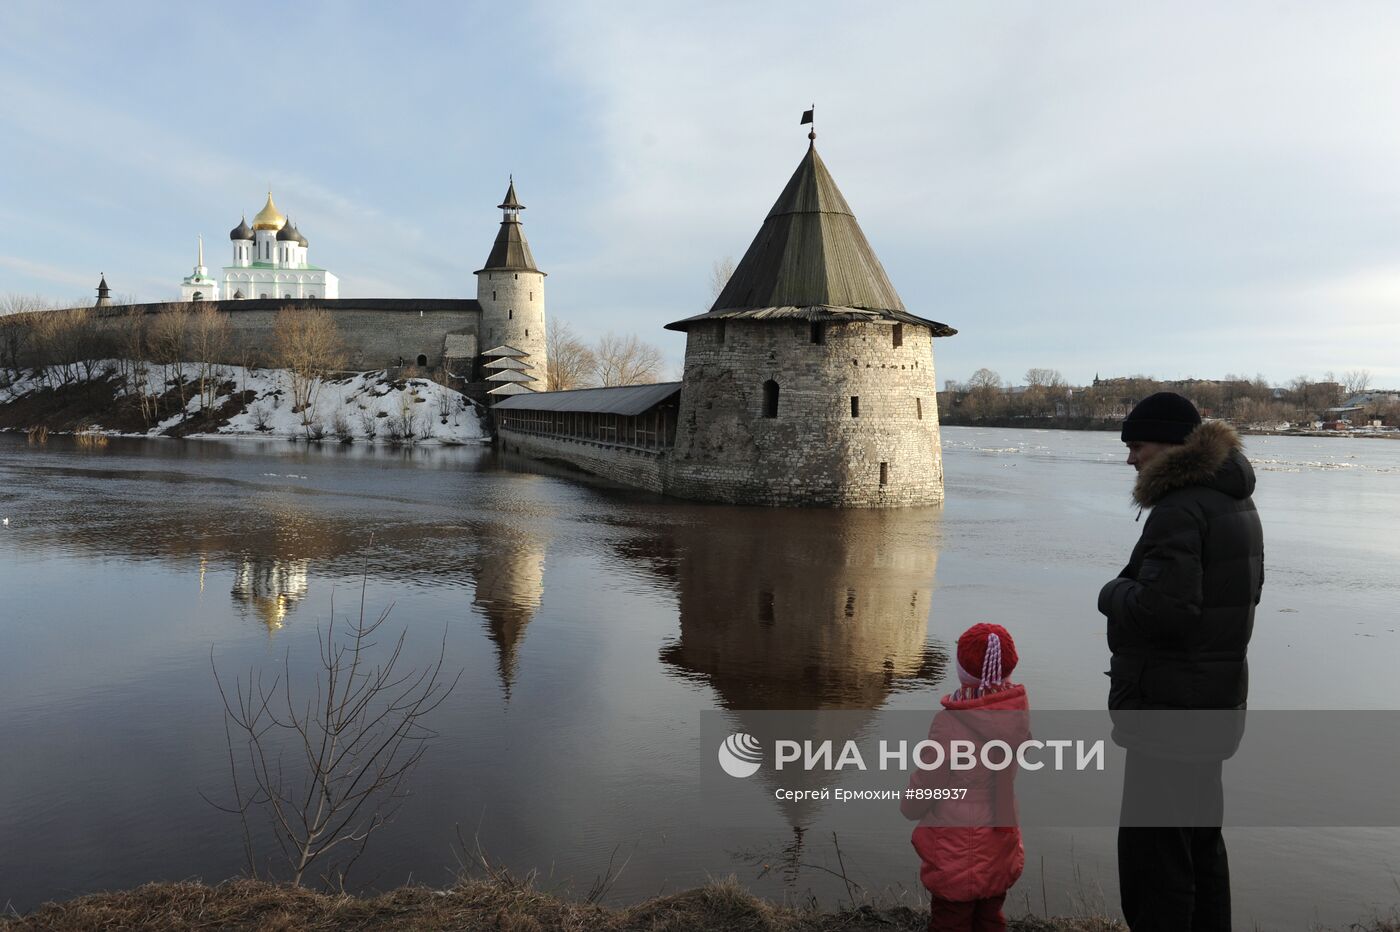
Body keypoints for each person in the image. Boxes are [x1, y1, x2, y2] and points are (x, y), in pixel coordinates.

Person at [1098, 392, 1264, 932]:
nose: (1130, 459)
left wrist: (1111, 593)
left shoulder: (1179, 508)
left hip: (1169, 710)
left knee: (1155, 864)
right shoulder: (1232, 499)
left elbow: (1164, 610)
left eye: (1136, 446)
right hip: (1212, 703)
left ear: (1170, 446)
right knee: (1200, 847)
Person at [901, 623, 1030, 932]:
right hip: (1000, 837)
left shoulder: (949, 723)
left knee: (951, 920)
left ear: (961, 672)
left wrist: (910, 806)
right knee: (989, 916)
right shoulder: (1017, 714)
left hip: (955, 843)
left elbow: (928, 782)